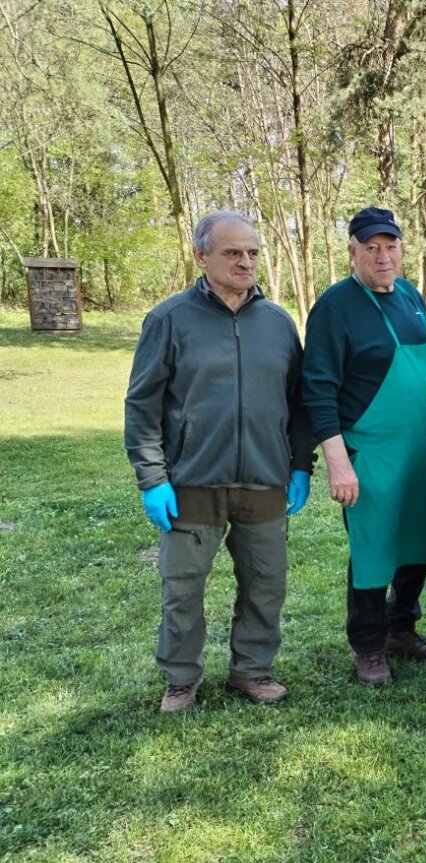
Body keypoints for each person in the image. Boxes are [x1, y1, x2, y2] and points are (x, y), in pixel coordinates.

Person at [124, 210, 314, 712]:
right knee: (183, 588)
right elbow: (142, 405)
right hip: (191, 482)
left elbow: (299, 402)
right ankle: (181, 679)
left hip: (265, 478)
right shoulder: (168, 320)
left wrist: (300, 464)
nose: (245, 262)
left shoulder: (277, 323)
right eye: (232, 252)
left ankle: (252, 670)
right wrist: (152, 479)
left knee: (266, 583)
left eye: (252, 252)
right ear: (201, 256)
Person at [302, 207, 426, 687]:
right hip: (370, 453)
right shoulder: (335, 307)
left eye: (390, 247)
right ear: (353, 252)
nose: (383, 257)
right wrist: (337, 462)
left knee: (421, 542)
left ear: (402, 249)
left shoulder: (410, 296)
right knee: (373, 551)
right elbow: (317, 389)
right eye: (371, 248)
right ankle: (368, 646)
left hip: (417, 451)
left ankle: (400, 628)